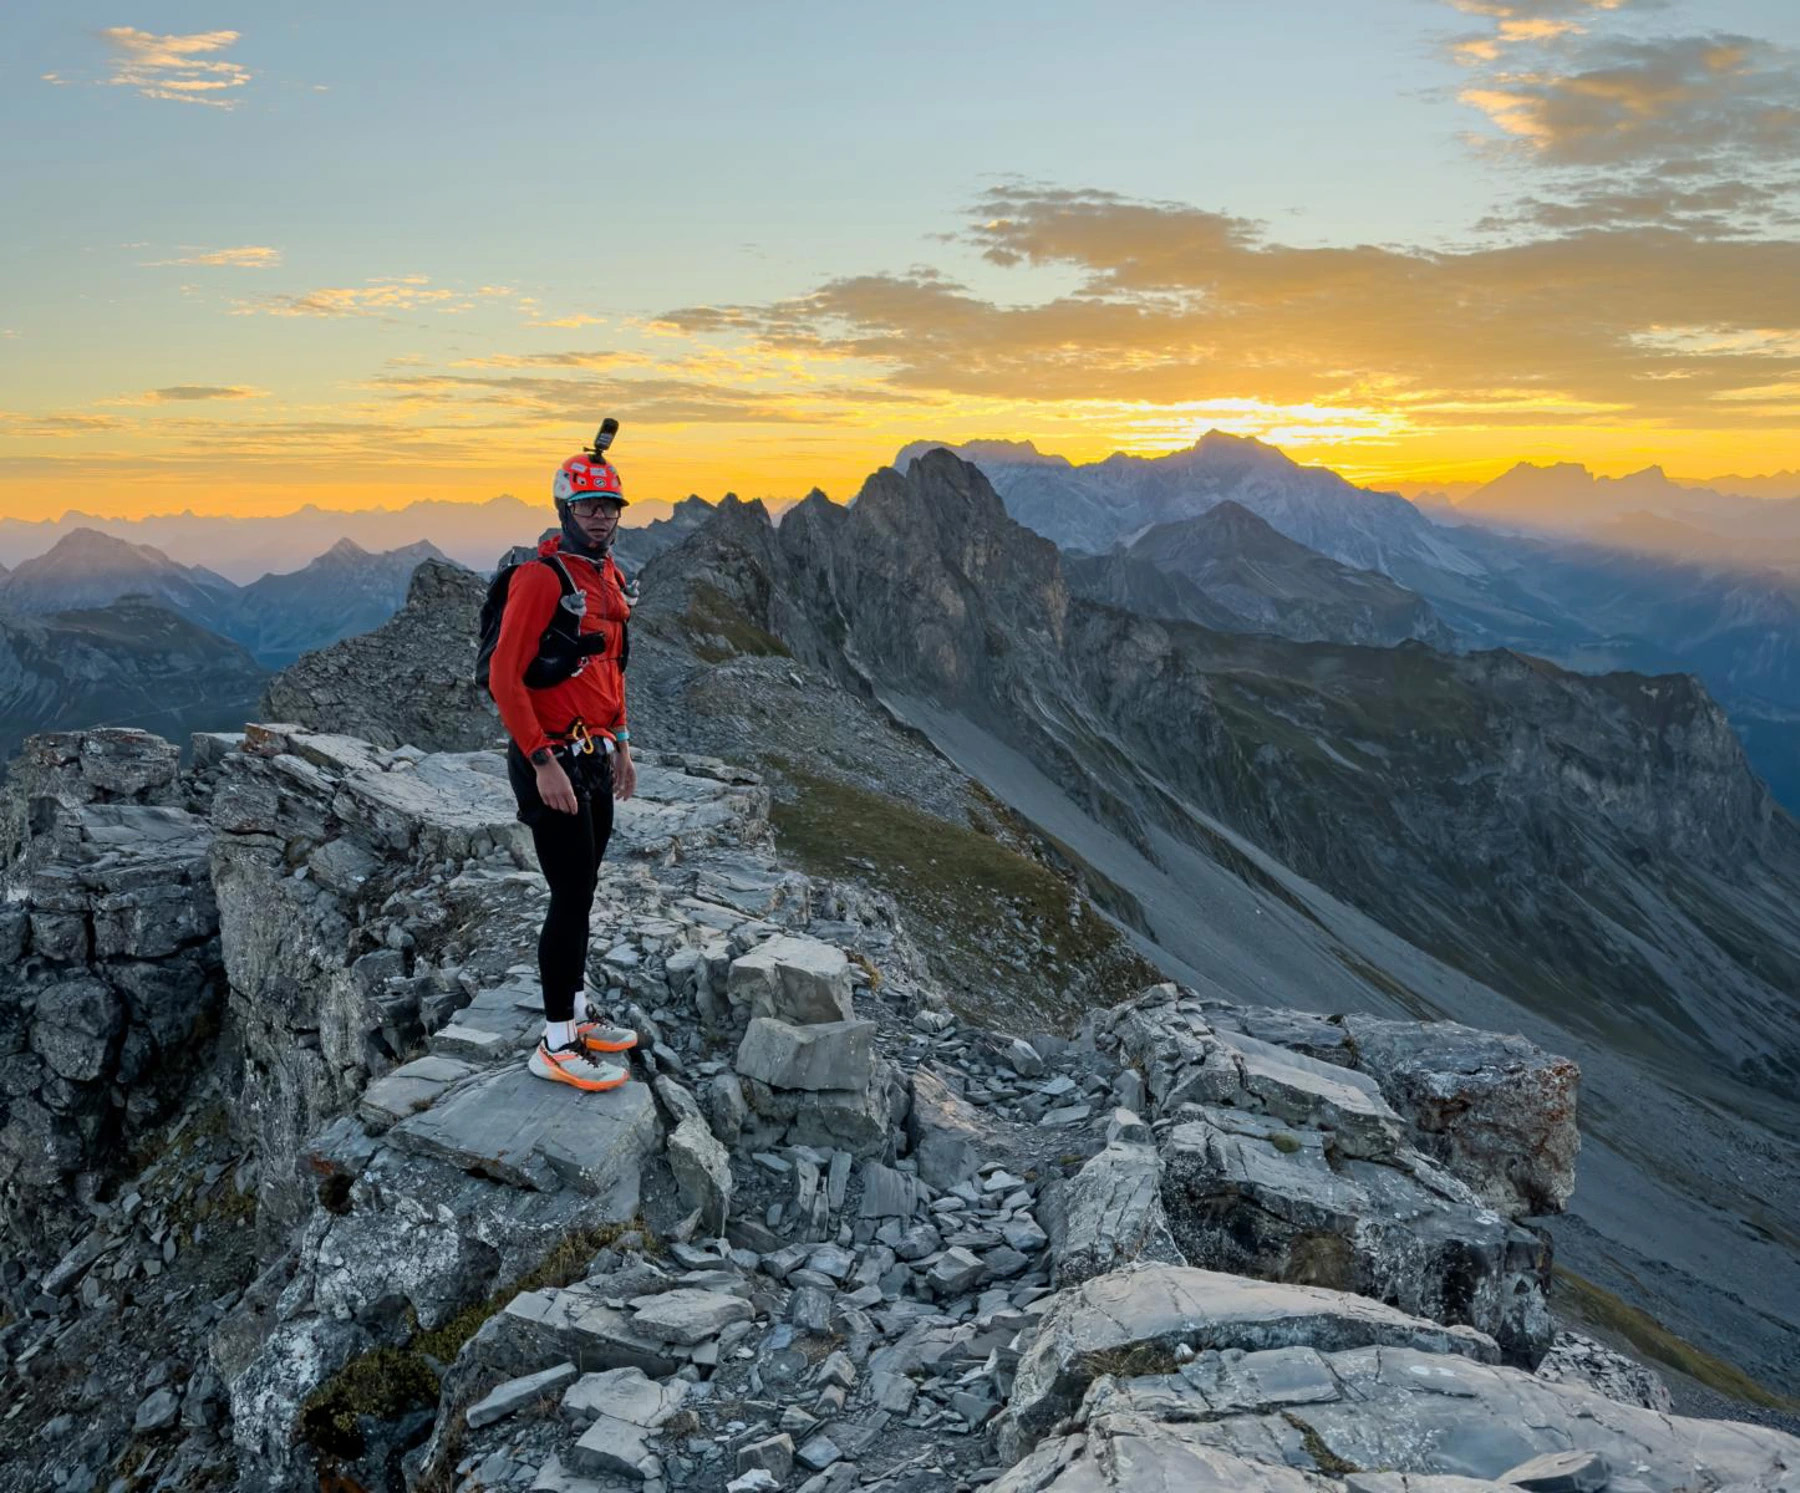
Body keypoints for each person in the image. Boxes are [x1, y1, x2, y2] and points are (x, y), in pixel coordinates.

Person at [488, 447, 641, 1091]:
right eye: (588, 507)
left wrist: (623, 746)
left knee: (584, 889)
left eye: (608, 506)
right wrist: (541, 761)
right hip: (551, 760)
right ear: (565, 508)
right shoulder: (541, 578)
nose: (601, 518)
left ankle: (576, 1014)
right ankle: (553, 1042)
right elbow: (504, 676)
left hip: (594, 756)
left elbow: (610, 669)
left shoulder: (605, 577)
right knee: (569, 893)